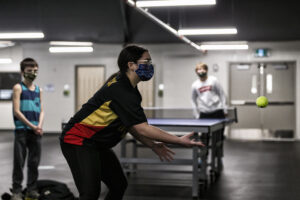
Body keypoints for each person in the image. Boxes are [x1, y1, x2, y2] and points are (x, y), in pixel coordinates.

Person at [60, 45, 204, 200]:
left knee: (118, 185)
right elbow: (143, 129)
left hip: (97, 144)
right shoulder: (121, 90)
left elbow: (132, 126)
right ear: (131, 65)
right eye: (146, 61)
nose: (150, 65)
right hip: (78, 140)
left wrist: (152, 145)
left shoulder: (130, 90)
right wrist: (178, 140)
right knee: (89, 194)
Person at [11, 58, 44, 200]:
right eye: (29, 71)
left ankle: (32, 189)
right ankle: (17, 191)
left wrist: (39, 126)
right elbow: (17, 111)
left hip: (36, 132)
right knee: (19, 162)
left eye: (35, 71)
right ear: (22, 72)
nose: (33, 73)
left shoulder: (39, 90)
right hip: (22, 131)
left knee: (34, 163)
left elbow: (42, 110)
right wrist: (32, 126)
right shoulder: (18, 88)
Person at [191, 62, 227, 173]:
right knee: (204, 139)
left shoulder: (213, 80)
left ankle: (218, 159)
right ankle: (203, 159)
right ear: (196, 72)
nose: (200, 71)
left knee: (218, 139)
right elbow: (193, 100)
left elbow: (222, 94)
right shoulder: (195, 85)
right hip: (204, 114)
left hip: (217, 112)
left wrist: (224, 109)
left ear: (206, 70)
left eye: (202, 69)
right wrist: (197, 114)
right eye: (198, 69)